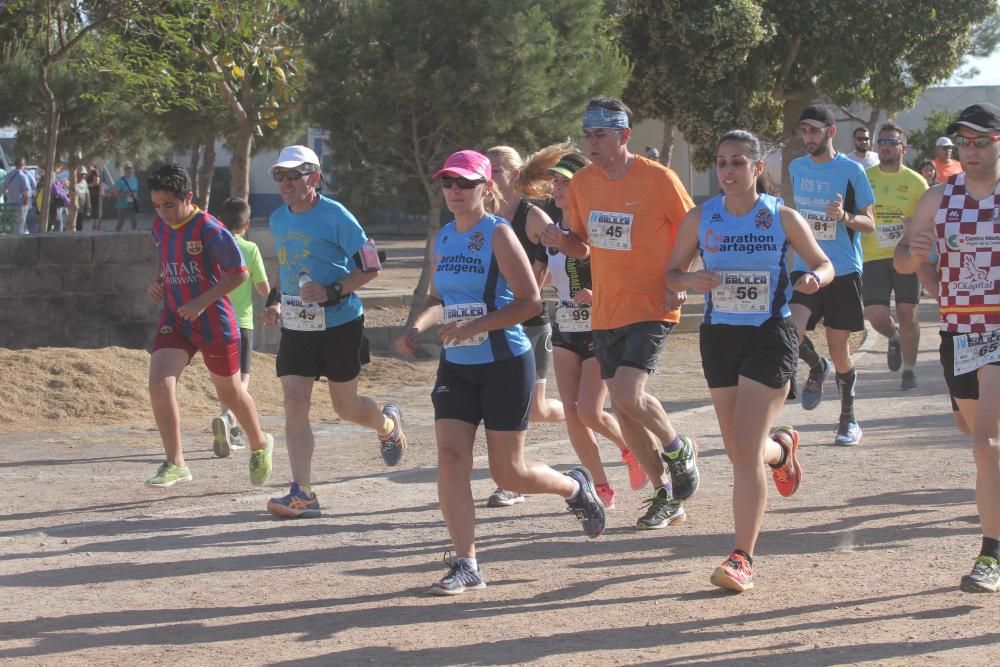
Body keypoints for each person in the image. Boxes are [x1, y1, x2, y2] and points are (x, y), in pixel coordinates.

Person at [396, 149, 605, 596]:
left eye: (465, 183)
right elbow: (437, 299)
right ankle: (467, 562)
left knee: (508, 474)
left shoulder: (499, 234)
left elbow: (530, 303)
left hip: (505, 364)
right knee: (451, 460)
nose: (454, 191)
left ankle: (573, 486)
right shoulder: (444, 238)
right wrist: (416, 326)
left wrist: (473, 325)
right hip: (457, 365)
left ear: (485, 188)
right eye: (448, 183)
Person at [667, 129, 834, 592]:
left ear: (758, 169)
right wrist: (689, 279)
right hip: (720, 337)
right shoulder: (701, 217)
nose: (728, 170)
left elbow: (824, 263)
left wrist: (814, 280)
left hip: (770, 334)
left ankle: (742, 557)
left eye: (738, 162)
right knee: (743, 448)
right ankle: (781, 450)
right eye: (722, 162)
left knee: (742, 451)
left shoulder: (780, 216)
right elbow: (671, 273)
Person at [541, 96, 701, 530]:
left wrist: (680, 277)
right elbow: (582, 244)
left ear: (624, 136)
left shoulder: (659, 179)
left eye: (602, 135)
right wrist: (560, 240)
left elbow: (694, 229)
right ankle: (666, 492)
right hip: (606, 309)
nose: (593, 143)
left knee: (628, 394)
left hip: (653, 303)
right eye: (588, 135)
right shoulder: (583, 184)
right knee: (626, 411)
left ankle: (677, 446)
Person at [263, 145, 405, 519]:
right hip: (297, 325)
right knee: (295, 403)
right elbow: (286, 264)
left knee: (347, 408)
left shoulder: (336, 215)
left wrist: (333, 291)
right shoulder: (278, 218)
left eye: (294, 175)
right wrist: (276, 300)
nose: (286, 183)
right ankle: (303, 493)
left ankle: (388, 425)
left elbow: (371, 265)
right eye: (280, 176)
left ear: (314, 176)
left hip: (341, 323)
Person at [894, 102, 1000, 593]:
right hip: (960, 333)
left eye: (982, 141)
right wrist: (923, 267)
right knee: (971, 431)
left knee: (986, 441)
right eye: (965, 142)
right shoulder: (940, 198)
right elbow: (903, 259)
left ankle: (991, 555)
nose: (972, 150)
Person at [523, 144, 649, 510]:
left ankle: (631, 449)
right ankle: (601, 485)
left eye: (565, 183)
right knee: (573, 413)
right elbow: (537, 272)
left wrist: (596, 292)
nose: (557, 190)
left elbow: (619, 268)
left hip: (601, 325)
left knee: (591, 411)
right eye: (555, 184)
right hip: (564, 325)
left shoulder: (596, 225)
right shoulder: (550, 228)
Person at [143, 163, 274, 488]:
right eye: (157, 206)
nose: (163, 213)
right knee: (159, 383)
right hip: (175, 317)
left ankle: (259, 443)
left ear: (188, 197)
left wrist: (202, 301)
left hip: (214, 322)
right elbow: (164, 260)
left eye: (169, 205)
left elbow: (239, 272)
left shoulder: (209, 228)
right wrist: (158, 283)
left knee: (229, 393)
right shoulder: (160, 227)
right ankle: (175, 463)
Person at [787, 104, 875, 447]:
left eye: (814, 130)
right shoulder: (796, 167)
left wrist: (844, 217)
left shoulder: (852, 171)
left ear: (830, 131)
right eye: (803, 131)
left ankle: (848, 418)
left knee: (841, 350)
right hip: (806, 265)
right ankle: (815, 366)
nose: (808, 138)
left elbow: (869, 224)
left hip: (843, 269)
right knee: (789, 331)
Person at [483, 145, 564, 508]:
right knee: (508, 406)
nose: (490, 177)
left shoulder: (533, 217)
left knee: (534, 409)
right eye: (487, 170)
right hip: (493, 323)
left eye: (497, 170)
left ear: (515, 177)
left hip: (529, 323)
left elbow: (555, 261)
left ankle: (583, 414)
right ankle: (511, 480)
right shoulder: (482, 216)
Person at [862, 122, 928, 390]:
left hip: (906, 254)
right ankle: (893, 337)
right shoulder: (866, 177)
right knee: (876, 315)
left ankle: (909, 370)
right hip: (872, 254)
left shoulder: (916, 181)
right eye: (882, 143)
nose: (885, 147)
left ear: (904, 148)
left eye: (891, 142)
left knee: (907, 312)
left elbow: (929, 218)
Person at [211, 197, 270, 458]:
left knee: (225, 381)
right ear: (247, 224)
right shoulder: (250, 248)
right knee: (242, 380)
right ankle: (228, 417)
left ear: (220, 222)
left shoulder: (212, 247)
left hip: (215, 322)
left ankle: (231, 429)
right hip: (242, 323)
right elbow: (263, 288)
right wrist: (269, 303)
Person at [3, 158, 32, 235]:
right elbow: (26, 193)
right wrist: (26, 204)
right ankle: (18, 243)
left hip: (10, 204)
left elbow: (4, 189)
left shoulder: (8, 175)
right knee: (20, 226)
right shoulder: (23, 177)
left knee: (11, 225)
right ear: (23, 165)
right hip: (20, 204)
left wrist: (10, 195)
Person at [114, 162, 139, 231]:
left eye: (130, 168)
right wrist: (126, 194)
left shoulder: (135, 180)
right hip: (122, 205)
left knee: (134, 222)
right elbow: (115, 194)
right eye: (126, 168)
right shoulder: (120, 181)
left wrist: (136, 197)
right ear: (124, 170)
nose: (128, 170)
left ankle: (134, 237)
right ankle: (116, 236)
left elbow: (135, 191)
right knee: (120, 223)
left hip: (132, 204)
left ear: (132, 169)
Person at [74, 167, 90, 232]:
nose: (83, 175)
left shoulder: (84, 182)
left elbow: (87, 193)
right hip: (74, 205)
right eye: (82, 174)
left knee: (80, 222)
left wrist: (89, 203)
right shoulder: (74, 181)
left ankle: (79, 233)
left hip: (82, 205)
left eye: (84, 174)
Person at [87, 163, 103, 230]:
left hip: (96, 194)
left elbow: (96, 182)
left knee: (97, 211)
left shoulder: (95, 172)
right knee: (94, 211)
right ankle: (94, 227)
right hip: (91, 194)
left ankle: (96, 227)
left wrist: (86, 186)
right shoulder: (90, 172)